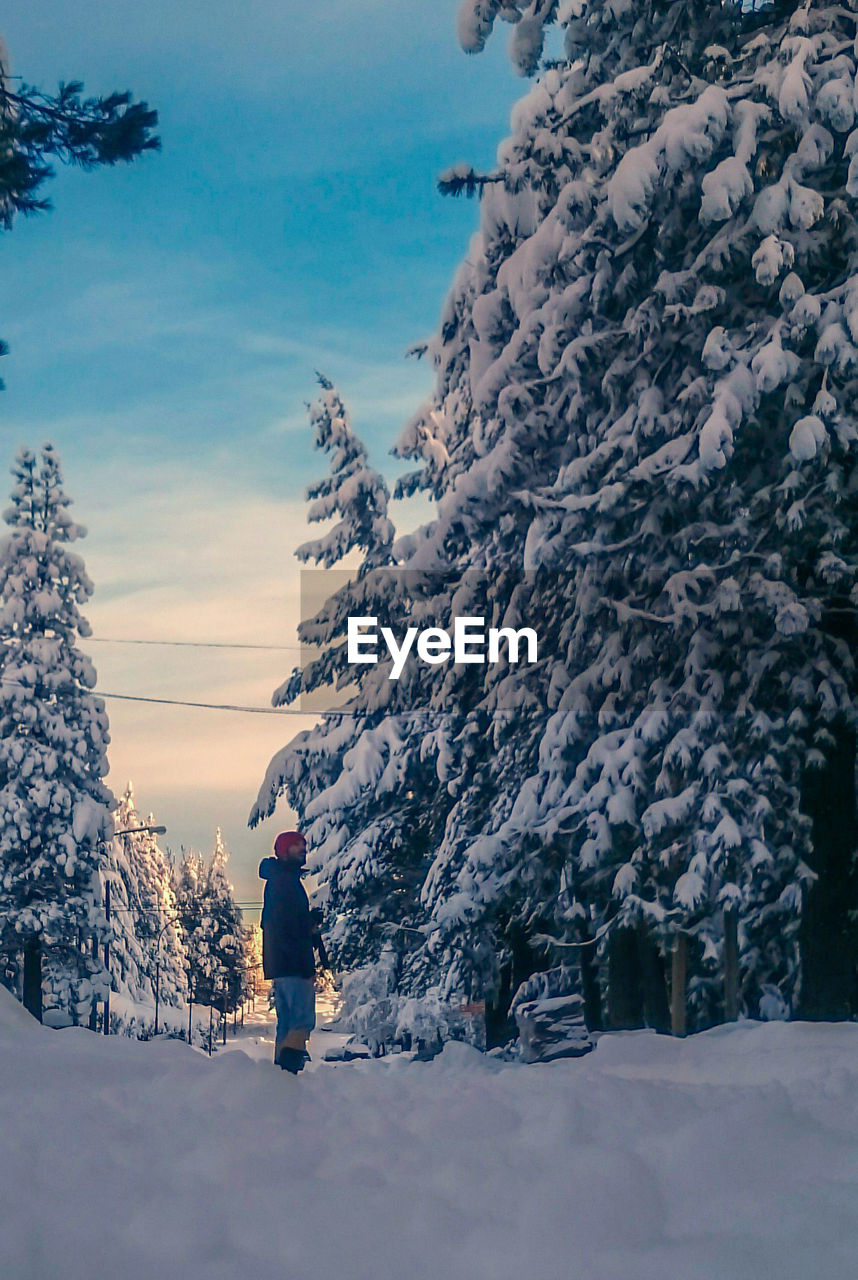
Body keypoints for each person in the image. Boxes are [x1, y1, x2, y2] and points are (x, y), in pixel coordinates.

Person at [259, 830, 327, 1074]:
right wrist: (308, 925)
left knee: (287, 1023)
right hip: (293, 964)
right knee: (301, 1021)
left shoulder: (280, 879)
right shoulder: (284, 882)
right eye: (297, 845)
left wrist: (307, 921)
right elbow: (286, 925)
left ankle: (282, 1075)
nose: (303, 849)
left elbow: (283, 922)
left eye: (304, 844)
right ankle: (289, 1072)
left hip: (282, 964)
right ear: (284, 850)